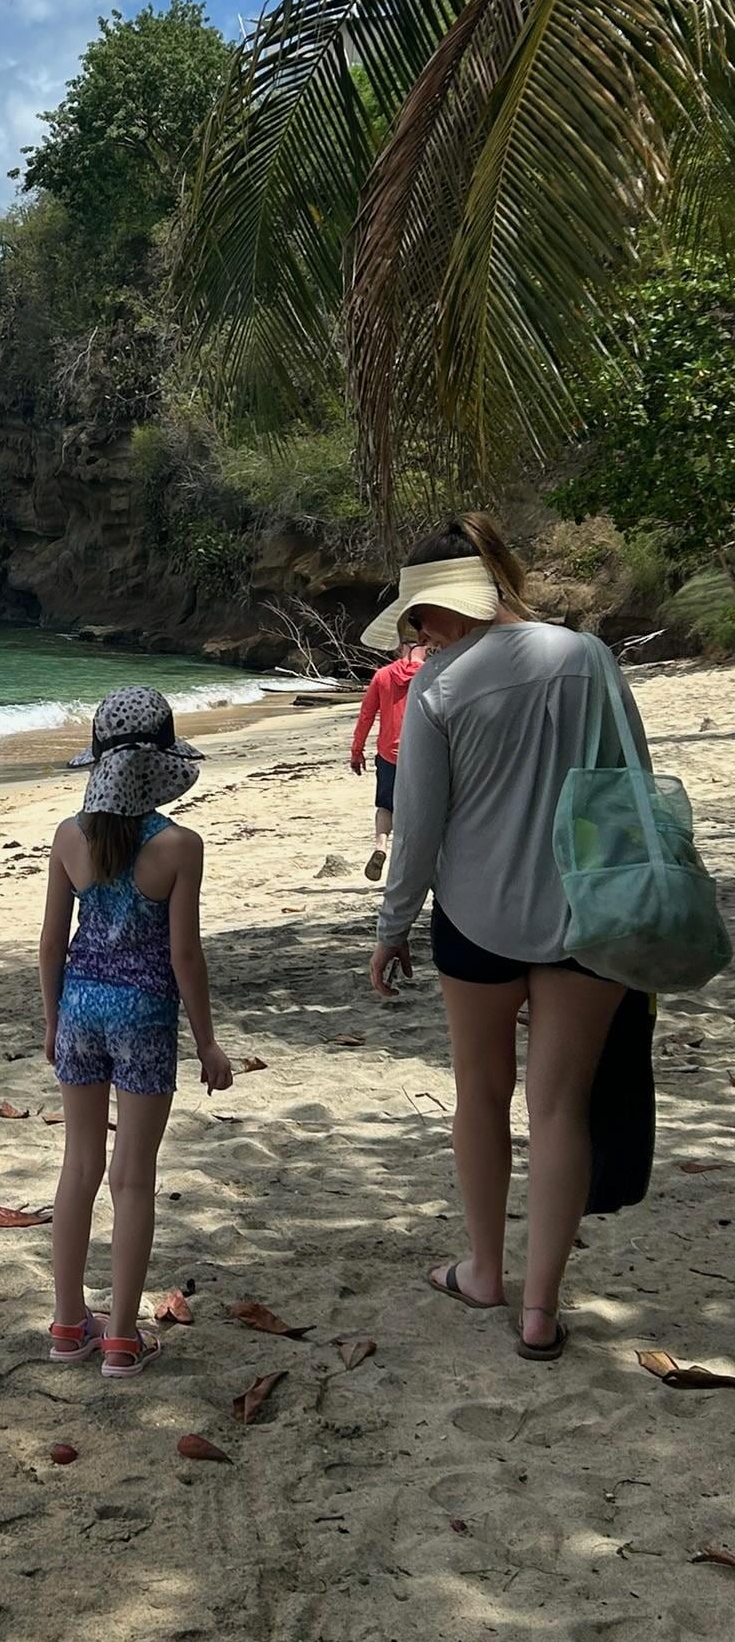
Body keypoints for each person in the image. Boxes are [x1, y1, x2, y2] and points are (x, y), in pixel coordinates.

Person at [363, 514, 652, 1361]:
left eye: (422, 617)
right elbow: (631, 776)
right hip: (588, 914)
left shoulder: (440, 690)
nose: (422, 634)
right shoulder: (588, 657)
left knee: (481, 1098)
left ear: (446, 606)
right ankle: (539, 1308)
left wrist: (391, 928)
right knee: (561, 1108)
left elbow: (416, 829)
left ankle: (484, 1270)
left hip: (476, 920)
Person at [39, 686, 233, 1377]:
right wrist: (207, 1040)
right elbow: (185, 955)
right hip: (145, 1016)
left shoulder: (70, 837)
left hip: (82, 1010)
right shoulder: (180, 846)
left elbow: (51, 946)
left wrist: (52, 1019)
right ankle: (120, 1336)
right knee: (133, 1179)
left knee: (79, 1168)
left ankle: (68, 1324)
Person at [349, 639, 426, 881]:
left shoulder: (382, 675)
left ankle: (381, 846)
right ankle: (413, 862)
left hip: (388, 754)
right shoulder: (433, 673)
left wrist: (356, 750)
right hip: (423, 753)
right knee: (421, 809)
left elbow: (366, 715)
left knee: (386, 805)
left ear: (401, 646)